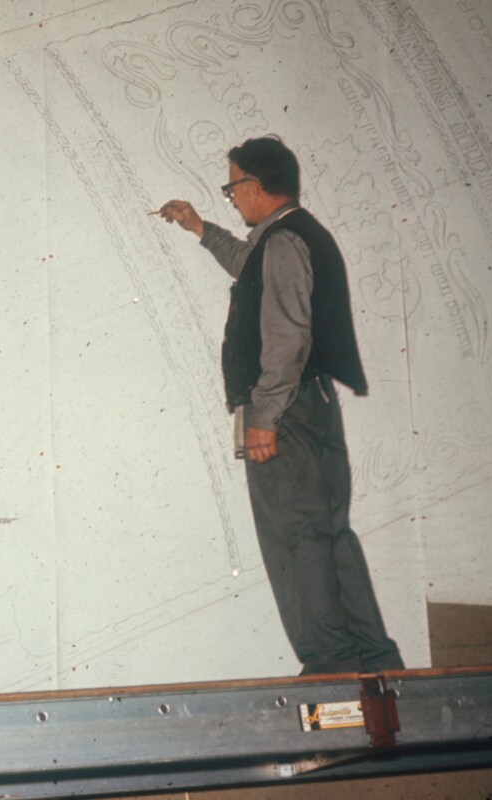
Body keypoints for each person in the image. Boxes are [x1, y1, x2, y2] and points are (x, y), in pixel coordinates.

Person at [158, 136, 404, 674]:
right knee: (329, 534)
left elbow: (287, 337)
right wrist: (201, 228)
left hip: (283, 411)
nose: (232, 198)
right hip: (310, 404)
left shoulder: (284, 242)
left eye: (232, 187)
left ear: (254, 185)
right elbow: (249, 265)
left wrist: (263, 418)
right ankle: (376, 661)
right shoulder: (290, 237)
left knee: (297, 538)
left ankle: (331, 663)